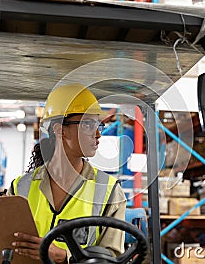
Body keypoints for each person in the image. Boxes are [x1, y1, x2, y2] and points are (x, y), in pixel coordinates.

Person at [8, 84, 127, 263]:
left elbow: (113, 259)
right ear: (59, 129)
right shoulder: (20, 187)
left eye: (98, 125)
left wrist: (65, 257)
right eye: (88, 124)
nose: (97, 134)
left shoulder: (109, 191)